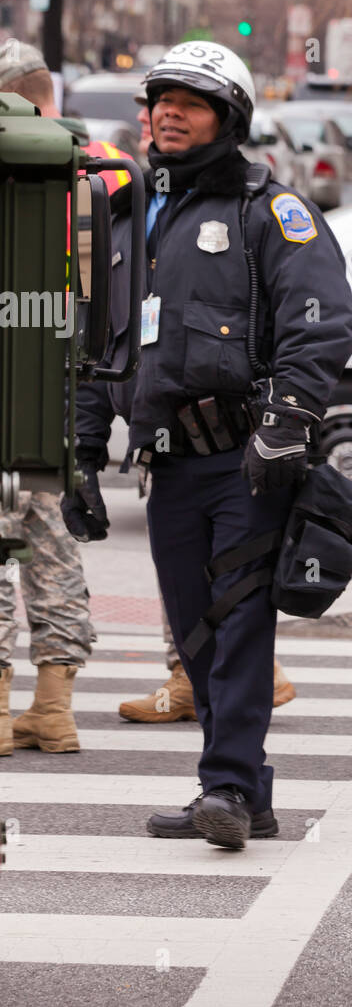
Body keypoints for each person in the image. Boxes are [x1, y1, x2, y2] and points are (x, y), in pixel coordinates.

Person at [67, 40, 352, 846]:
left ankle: (225, 786)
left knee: (238, 622)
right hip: (168, 462)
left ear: (227, 118)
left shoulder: (268, 209)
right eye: (159, 100)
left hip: (245, 460)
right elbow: (102, 347)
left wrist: (286, 422)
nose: (167, 113)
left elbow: (322, 321)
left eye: (189, 102)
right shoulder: (126, 211)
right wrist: (84, 460)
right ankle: (246, 791)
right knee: (194, 631)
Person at [0, 40, 131, 757]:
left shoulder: (15, 159)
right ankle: (55, 707)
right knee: (49, 535)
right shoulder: (87, 165)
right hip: (52, 374)